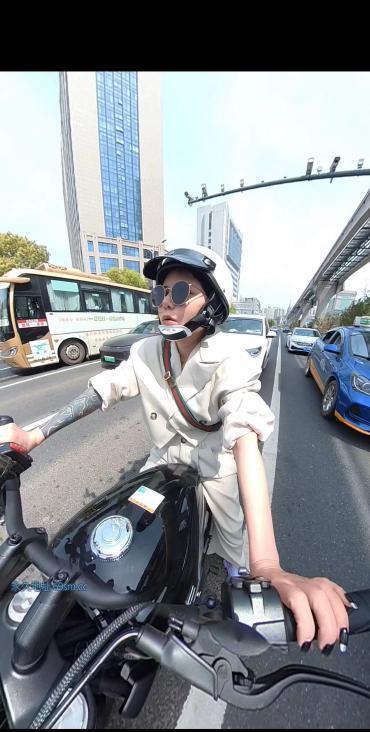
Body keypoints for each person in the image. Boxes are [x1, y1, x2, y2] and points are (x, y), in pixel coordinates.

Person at [1, 246, 349, 653]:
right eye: (161, 292)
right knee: (123, 516)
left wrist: (267, 565)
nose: (166, 301)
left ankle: (236, 597)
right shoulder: (148, 351)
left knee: (238, 552)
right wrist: (36, 435)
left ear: (212, 303)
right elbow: (103, 389)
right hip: (163, 463)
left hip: (214, 469)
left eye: (181, 291)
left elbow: (244, 433)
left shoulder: (231, 361)